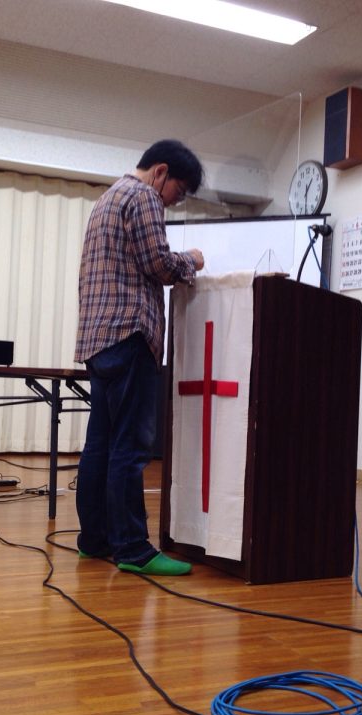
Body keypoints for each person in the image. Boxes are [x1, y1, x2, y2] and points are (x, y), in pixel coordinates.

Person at [74, 139, 205, 576]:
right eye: (178, 193)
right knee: (129, 449)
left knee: (100, 445)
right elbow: (159, 265)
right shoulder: (144, 196)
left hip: (97, 341)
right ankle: (133, 549)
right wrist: (193, 260)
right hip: (130, 336)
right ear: (161, 172)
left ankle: (94, 540)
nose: (173, 202)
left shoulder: (107, 199)